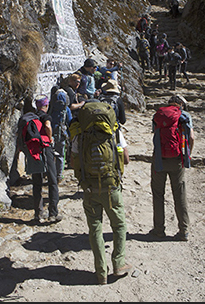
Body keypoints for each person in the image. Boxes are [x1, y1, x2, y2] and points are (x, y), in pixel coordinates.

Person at [70, 102, 133, 285]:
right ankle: (119, 263)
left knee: (95, 229)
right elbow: (126, 159)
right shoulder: (114, 132)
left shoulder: (79, 135)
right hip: (111, 187)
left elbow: (74, 163)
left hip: (89, 188)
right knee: (119, 225)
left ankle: (100, 273)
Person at [150, 95, 194, 241]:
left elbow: (155, 135)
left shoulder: (159, 114)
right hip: (177, 159)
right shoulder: (184, 116)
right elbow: (192, 137)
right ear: (181, 104)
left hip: (159, 159)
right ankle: (184, 230)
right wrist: (188, 154)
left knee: (158, 194)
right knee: (179, 193)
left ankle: (159, 230)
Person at [21, 95, 62, 223]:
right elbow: (48, 126)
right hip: (45, 149)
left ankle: (38, 214)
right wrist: (50, 139)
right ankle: (53, 213)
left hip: (34, 151)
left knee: (37, 182)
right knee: (52, 181)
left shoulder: (31, 117)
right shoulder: (45, 116)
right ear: (46, 105)